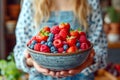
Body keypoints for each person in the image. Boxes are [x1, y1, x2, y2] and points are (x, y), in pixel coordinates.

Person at [14, 0, 108, 80]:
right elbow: (20, 50)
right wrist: (32, 61)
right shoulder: (31, 2)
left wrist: (87, 61)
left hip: (81, 77)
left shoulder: (90, 2)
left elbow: (100, 49)